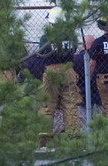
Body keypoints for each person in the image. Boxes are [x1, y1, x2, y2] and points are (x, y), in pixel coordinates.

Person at [39, 8, 80, 137]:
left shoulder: (46, 37)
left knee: (48, 105)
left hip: (51, 70)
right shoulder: (71, 36)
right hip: (68, 69)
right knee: (70, 104)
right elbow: (74, 49)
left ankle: (45, 137)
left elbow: (42, 52)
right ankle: (73, 135)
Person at [73, 35, 102, 129]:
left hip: (82, 92)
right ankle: (98, 135)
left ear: (83, 45)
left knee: (83, 119)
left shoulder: (75, 59)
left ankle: (86, 135)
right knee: (99, 118)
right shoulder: (100, 58)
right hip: (98, 93)